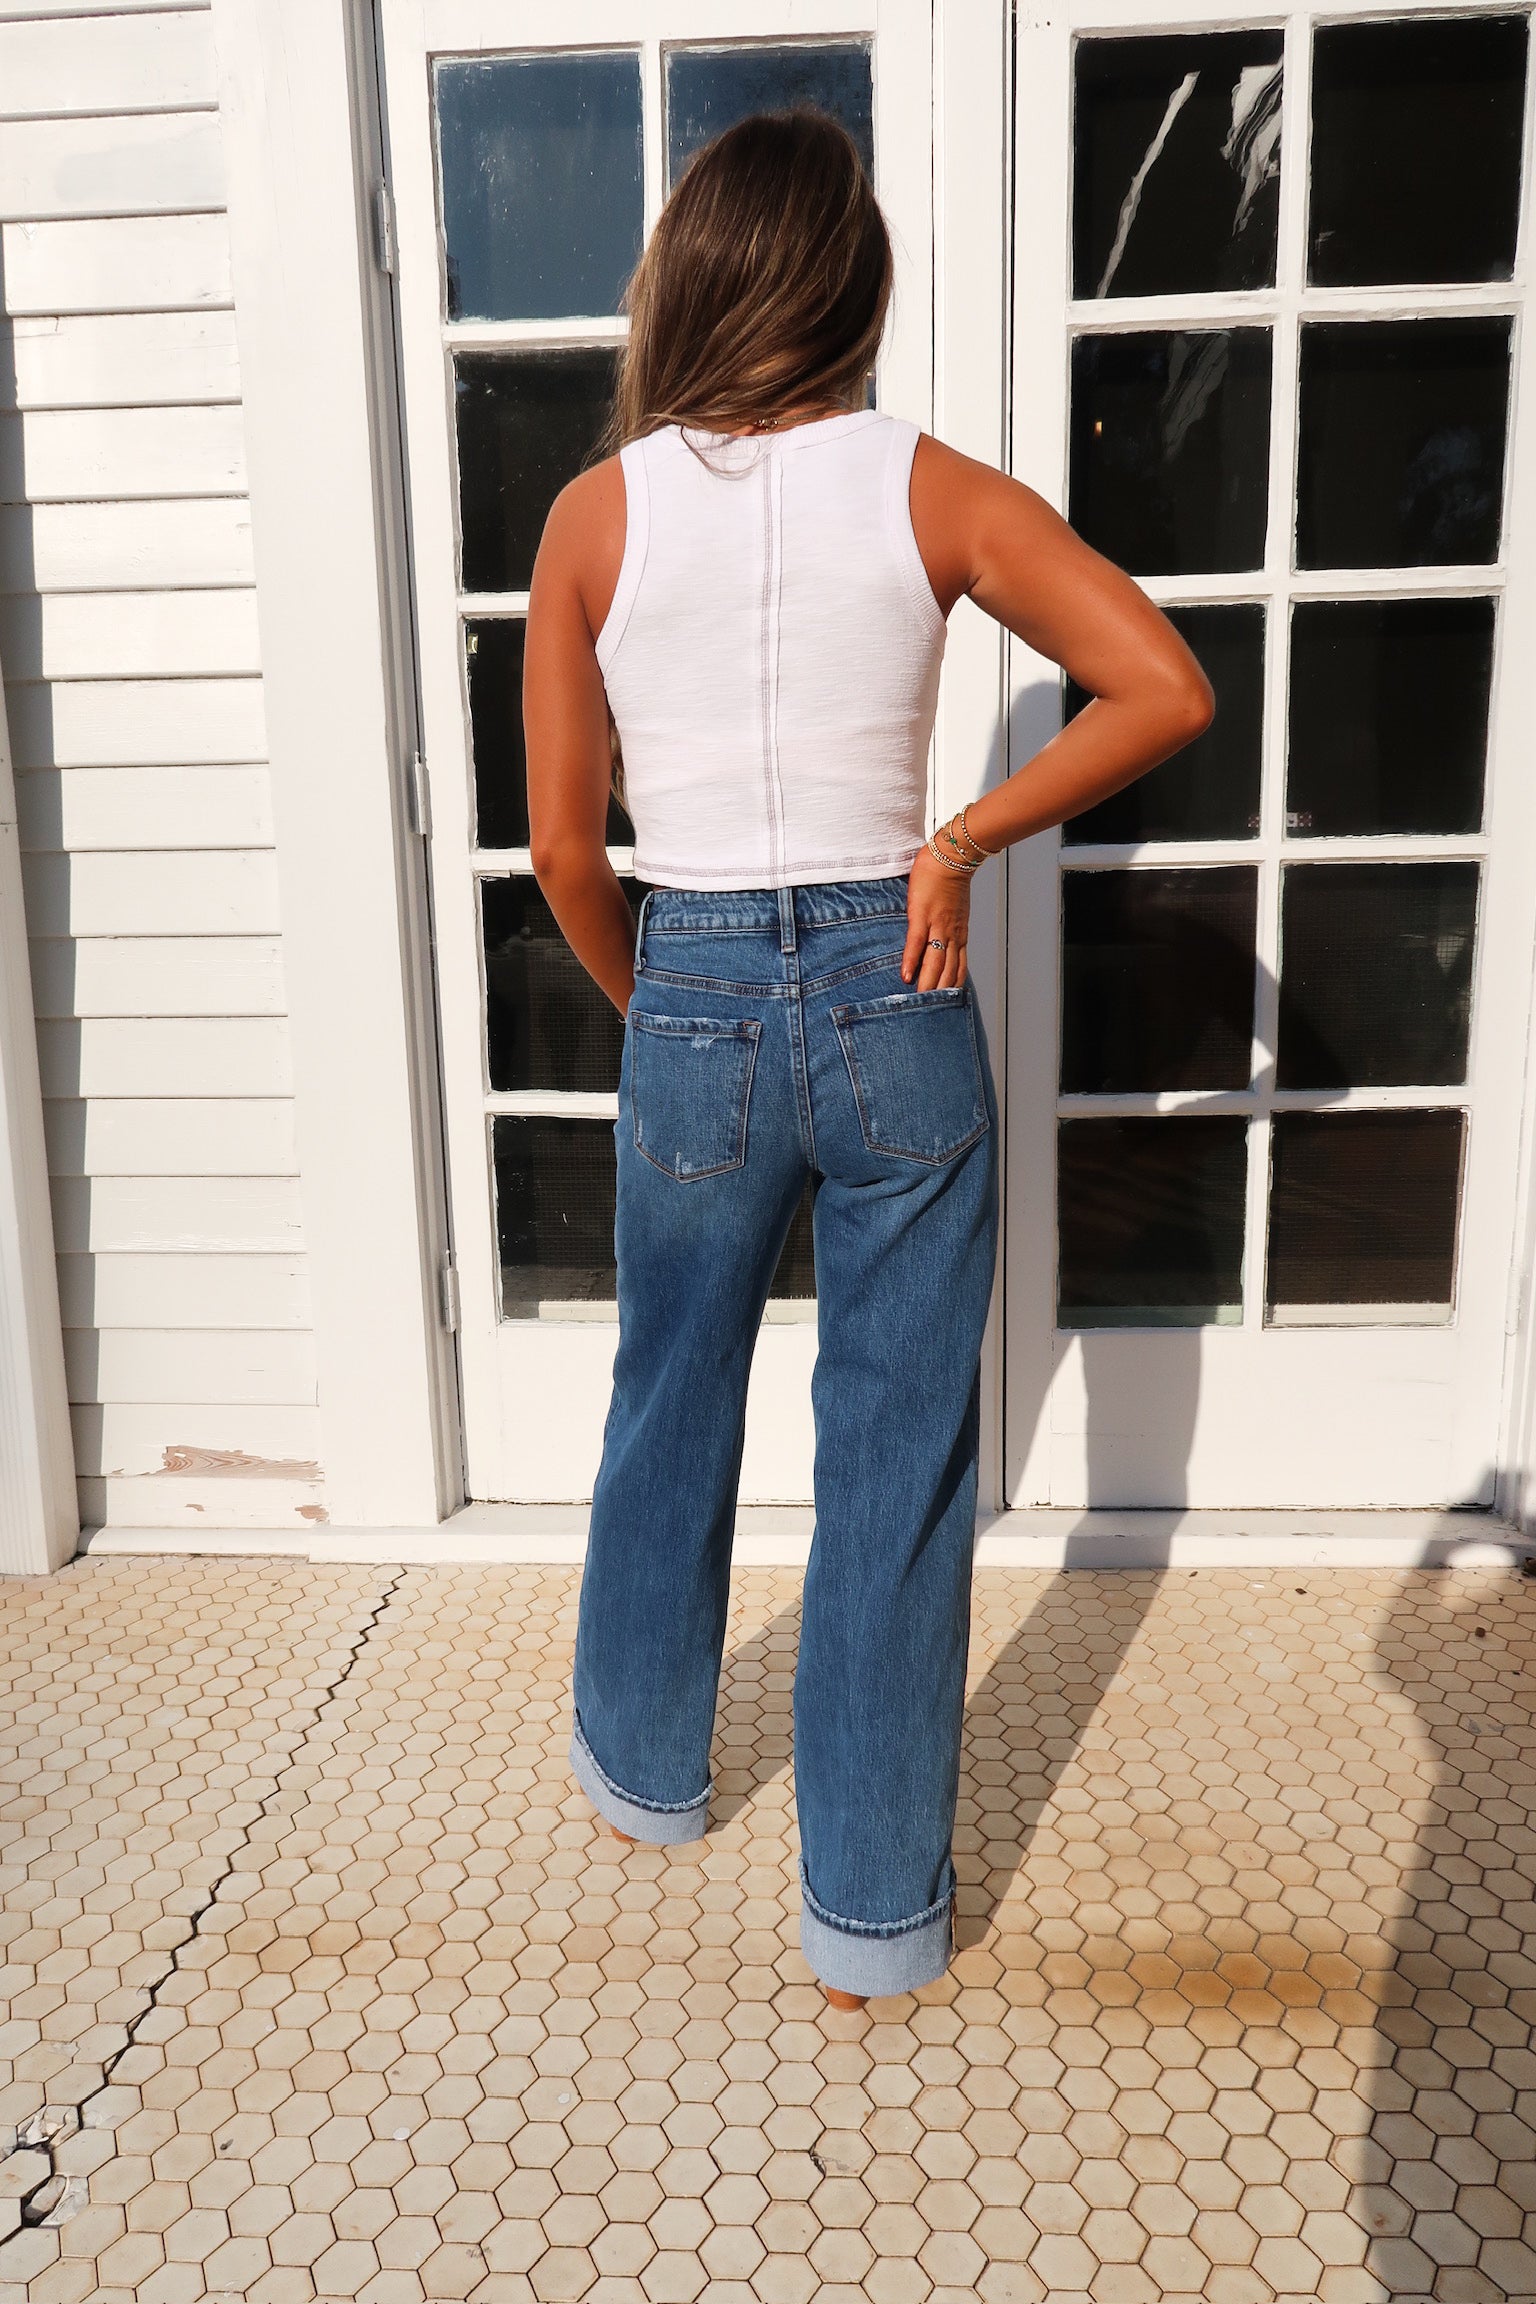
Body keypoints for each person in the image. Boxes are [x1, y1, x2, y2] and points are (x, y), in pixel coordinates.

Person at [523, 110, 1213, 2011]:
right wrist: (962, 842)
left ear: (690, 272)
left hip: (697, 979)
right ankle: (874, 1921)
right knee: (895, 1458)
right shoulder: (933, 489)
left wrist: (654, 994)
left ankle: (649, 1780)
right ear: (853, 283)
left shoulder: (596, 514)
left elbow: (569, 852)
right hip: (896, 985)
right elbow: (1166, 681)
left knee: (668, 1398)